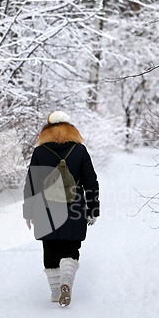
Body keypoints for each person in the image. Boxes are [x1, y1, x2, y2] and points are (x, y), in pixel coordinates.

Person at [23, 110, 100, 307]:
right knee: (71, 246)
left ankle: (56, 291)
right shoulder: (80, 151)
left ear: (47, 129)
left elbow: (31, 183)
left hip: (45, 207)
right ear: (70, 128)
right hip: (74, 206)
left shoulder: (40, 152)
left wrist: (29, 212)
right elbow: (91, 182)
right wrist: (93, 209)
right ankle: (67, 280)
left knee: (50, 247)